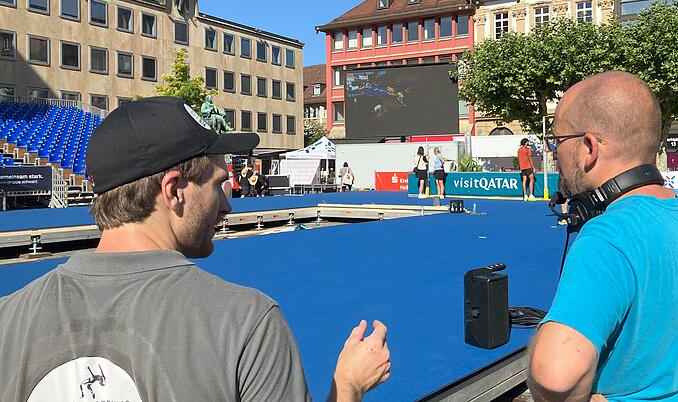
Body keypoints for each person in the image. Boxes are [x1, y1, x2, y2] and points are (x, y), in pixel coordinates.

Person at [0, 97, 391, 401]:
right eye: (218, 184)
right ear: (174, 191)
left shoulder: (7, 318)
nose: (227, 205)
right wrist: (348, 386)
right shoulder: (245, 323)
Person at [528, 72, 678, 401]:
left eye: (558, 141)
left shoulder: (608, 236)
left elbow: (553, 377)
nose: (553, 154)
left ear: (588, 147)